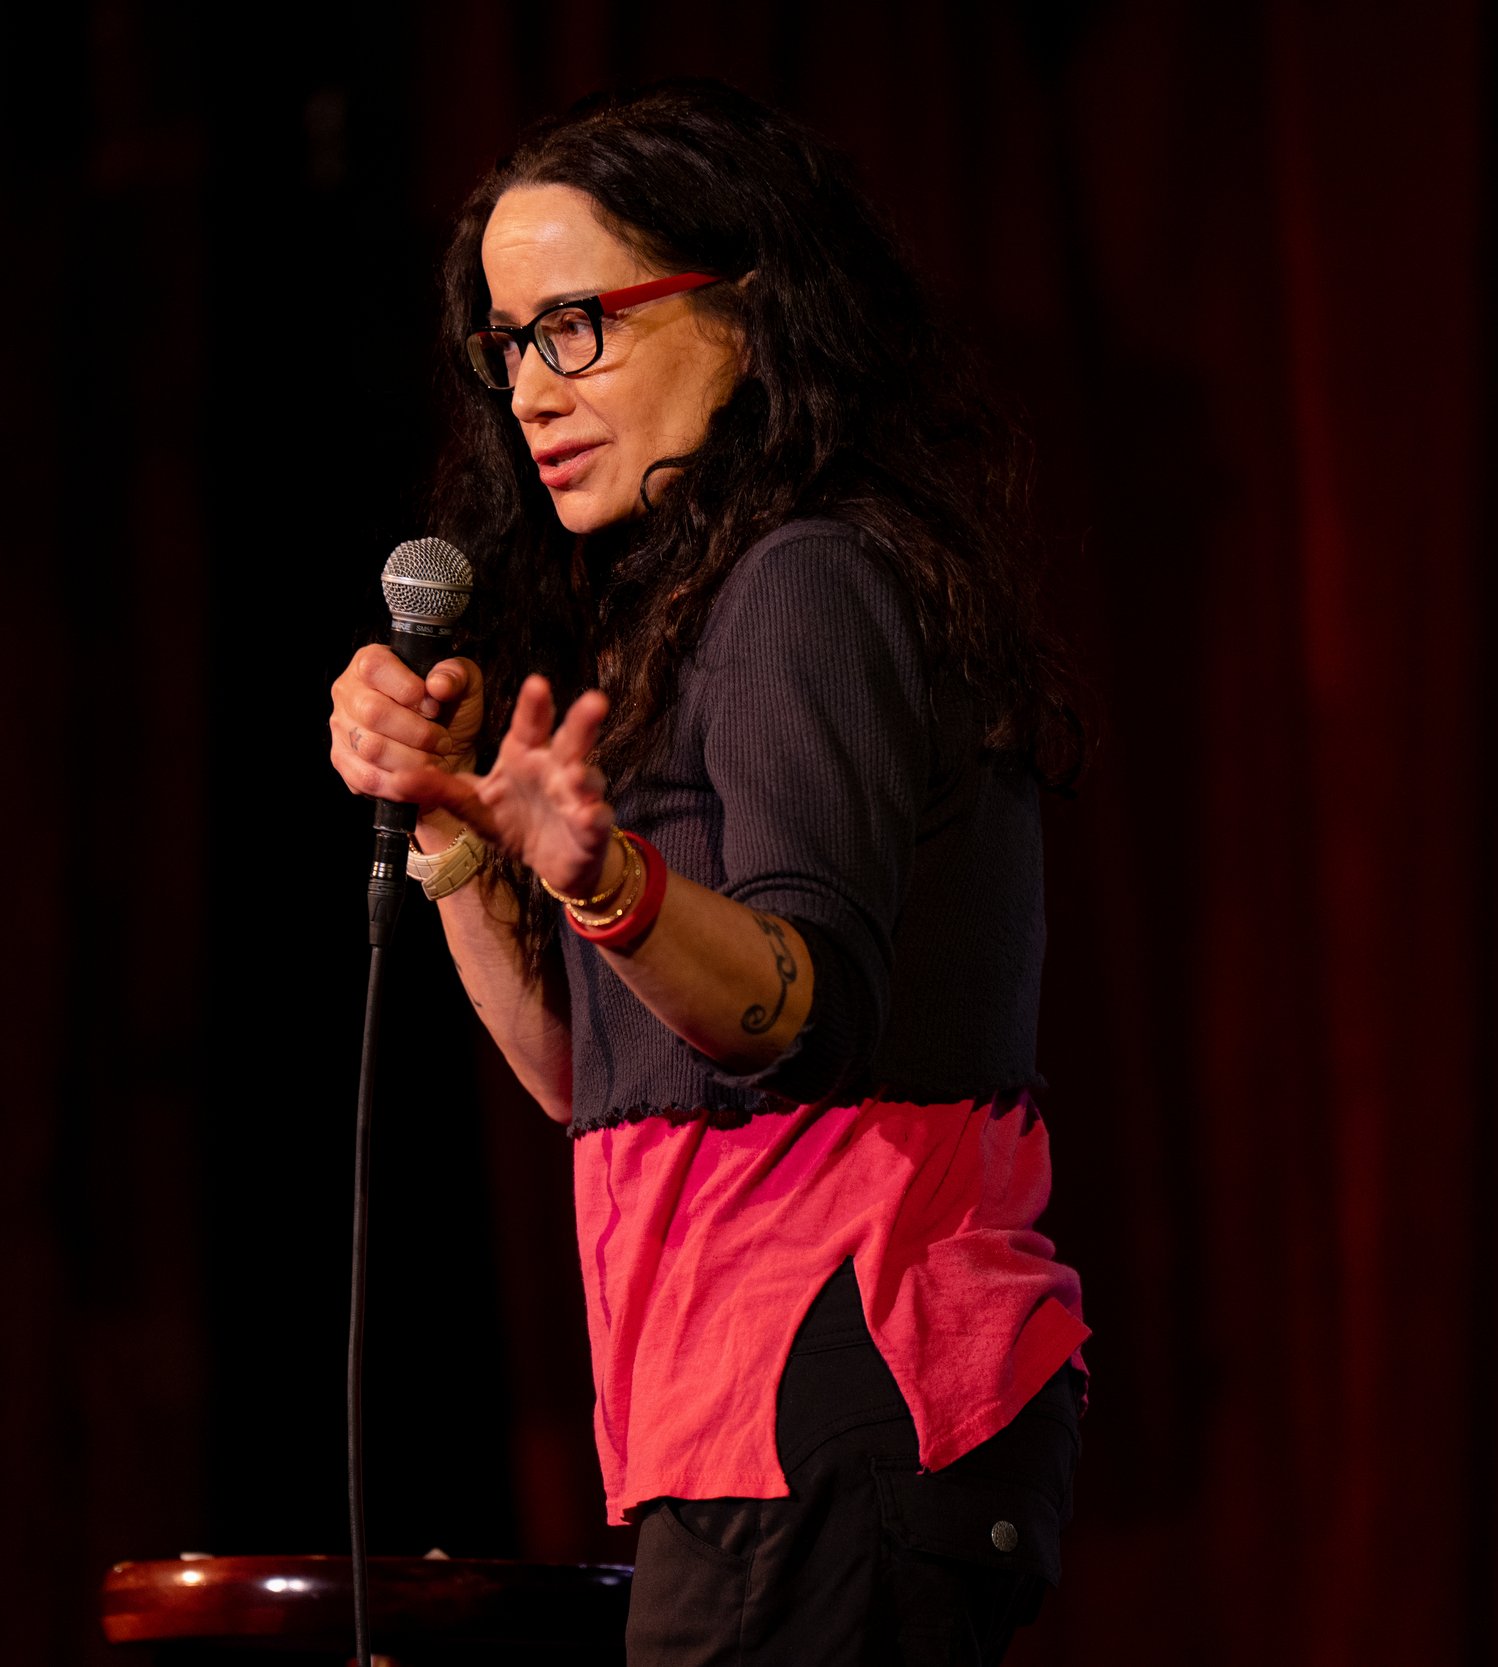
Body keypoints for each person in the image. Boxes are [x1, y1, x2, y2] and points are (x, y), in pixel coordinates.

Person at [326, 81, 1090, 1666]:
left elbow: (795, 1007)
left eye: (579, 325)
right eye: (508, 344)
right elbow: (572, 1074)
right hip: (743, 1417)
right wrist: (466, 837)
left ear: (749, 311)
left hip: (839, 1386)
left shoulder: (807, 582)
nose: (535, 390)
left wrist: (606, 883)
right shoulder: (700, 613)